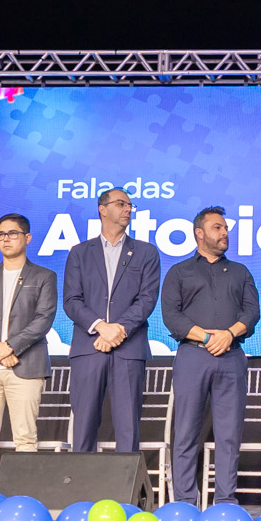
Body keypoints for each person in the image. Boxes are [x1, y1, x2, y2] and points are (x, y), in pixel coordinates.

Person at [163, 207, 259, 506]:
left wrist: (228, 334)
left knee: (229, 435)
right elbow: (171, 317)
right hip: (193, 356)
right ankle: (185, 503)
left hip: (231, 357)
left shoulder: (241, 272)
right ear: (199, 233)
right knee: (186, 432)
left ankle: (225, 501)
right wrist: (207, 337)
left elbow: (252, 313)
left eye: (226, 228)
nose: (224, 232)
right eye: (217, 227)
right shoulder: (179, 272)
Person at [0, 213, 58, 495]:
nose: (6, 239)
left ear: (27, 238)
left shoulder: (44, 276)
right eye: (1, 234)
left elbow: (43, 319)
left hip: (25, 366)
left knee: (25, 438)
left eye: (13, 233)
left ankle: (23, 499)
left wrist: (11, 346)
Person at [62, 188, 161, 454]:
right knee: (83, 427)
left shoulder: (146, 252)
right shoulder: (79, 252)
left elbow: (147, 299)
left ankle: (125, 483)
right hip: (88, 348)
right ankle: (80, 481)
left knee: (128, 428)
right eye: (121, 204)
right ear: (102, 209)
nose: (128, 209)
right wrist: (101, 327)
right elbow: (71, 300)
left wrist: (119, 331)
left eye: (130, 205)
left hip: (128, 349)